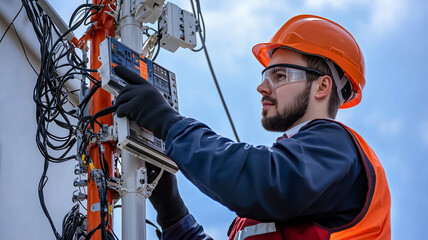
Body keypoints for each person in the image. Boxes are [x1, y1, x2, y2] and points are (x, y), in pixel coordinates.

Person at [114, 14, 391, 240]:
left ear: (322, 86)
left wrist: (168, 123)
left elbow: (262, 180)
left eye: (279, 75)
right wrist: (171, 209)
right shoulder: (299, 178)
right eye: (265, 75)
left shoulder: (335, 146)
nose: (262, 87)